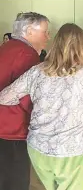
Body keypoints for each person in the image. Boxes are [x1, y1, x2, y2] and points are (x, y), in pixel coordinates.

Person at [0, 23, 83, 190]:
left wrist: (33, 105)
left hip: (38, 148)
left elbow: (4, 97)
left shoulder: (36, 71)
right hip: (72, 151)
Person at [0, 12, 49, 190]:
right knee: (15, 182)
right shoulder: (27, 55)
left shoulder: (6, 48)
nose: (48, 37)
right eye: (45, 31)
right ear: (29, 31)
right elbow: (29, 99)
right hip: (13, 130)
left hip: (3, 128)